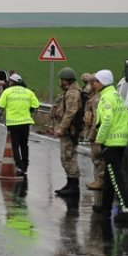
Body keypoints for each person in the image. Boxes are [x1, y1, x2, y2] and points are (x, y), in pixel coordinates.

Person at [92, 69, 128, 219]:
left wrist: (99, 139)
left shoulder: (106, 98)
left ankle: (127, 210)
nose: (93, 84)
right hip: (121, 142)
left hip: (111, 143)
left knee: (116, 179)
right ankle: (105, 207)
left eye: (95, 81)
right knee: (109, 176)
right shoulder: (117, 97)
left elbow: (106, 120)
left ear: (102, 83)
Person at [0, 73, 40, 175]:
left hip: (13, 123)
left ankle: (19, 166)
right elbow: (36, 105)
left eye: (10, 81)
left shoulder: (7, 91)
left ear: (13, 82)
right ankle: (25, 166)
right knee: (24, 145)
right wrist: (29, 110)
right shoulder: (28, 92)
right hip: (25, 123)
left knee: (15, 145)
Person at [51, 67, 85, 196]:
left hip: (70, 131)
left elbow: (70, 112)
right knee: (65, 157)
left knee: (69, 156)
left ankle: (74, 186)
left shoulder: (73, 93)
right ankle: (69, 183)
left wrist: (61, 128)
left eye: (61, 79)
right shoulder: (68, 92)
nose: (59, 81)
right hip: (67, 130)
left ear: (65, 80)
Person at [82, 72, 104, 191]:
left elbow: (97, 118)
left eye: (89, 83)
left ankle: (100, 181)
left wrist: (92, 134)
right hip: (94, 132)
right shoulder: (92, 98)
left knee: (97, 158)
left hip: (97, 134)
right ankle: (98, 180)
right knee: (96, 158)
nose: (87, 86)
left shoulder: (96, 100)